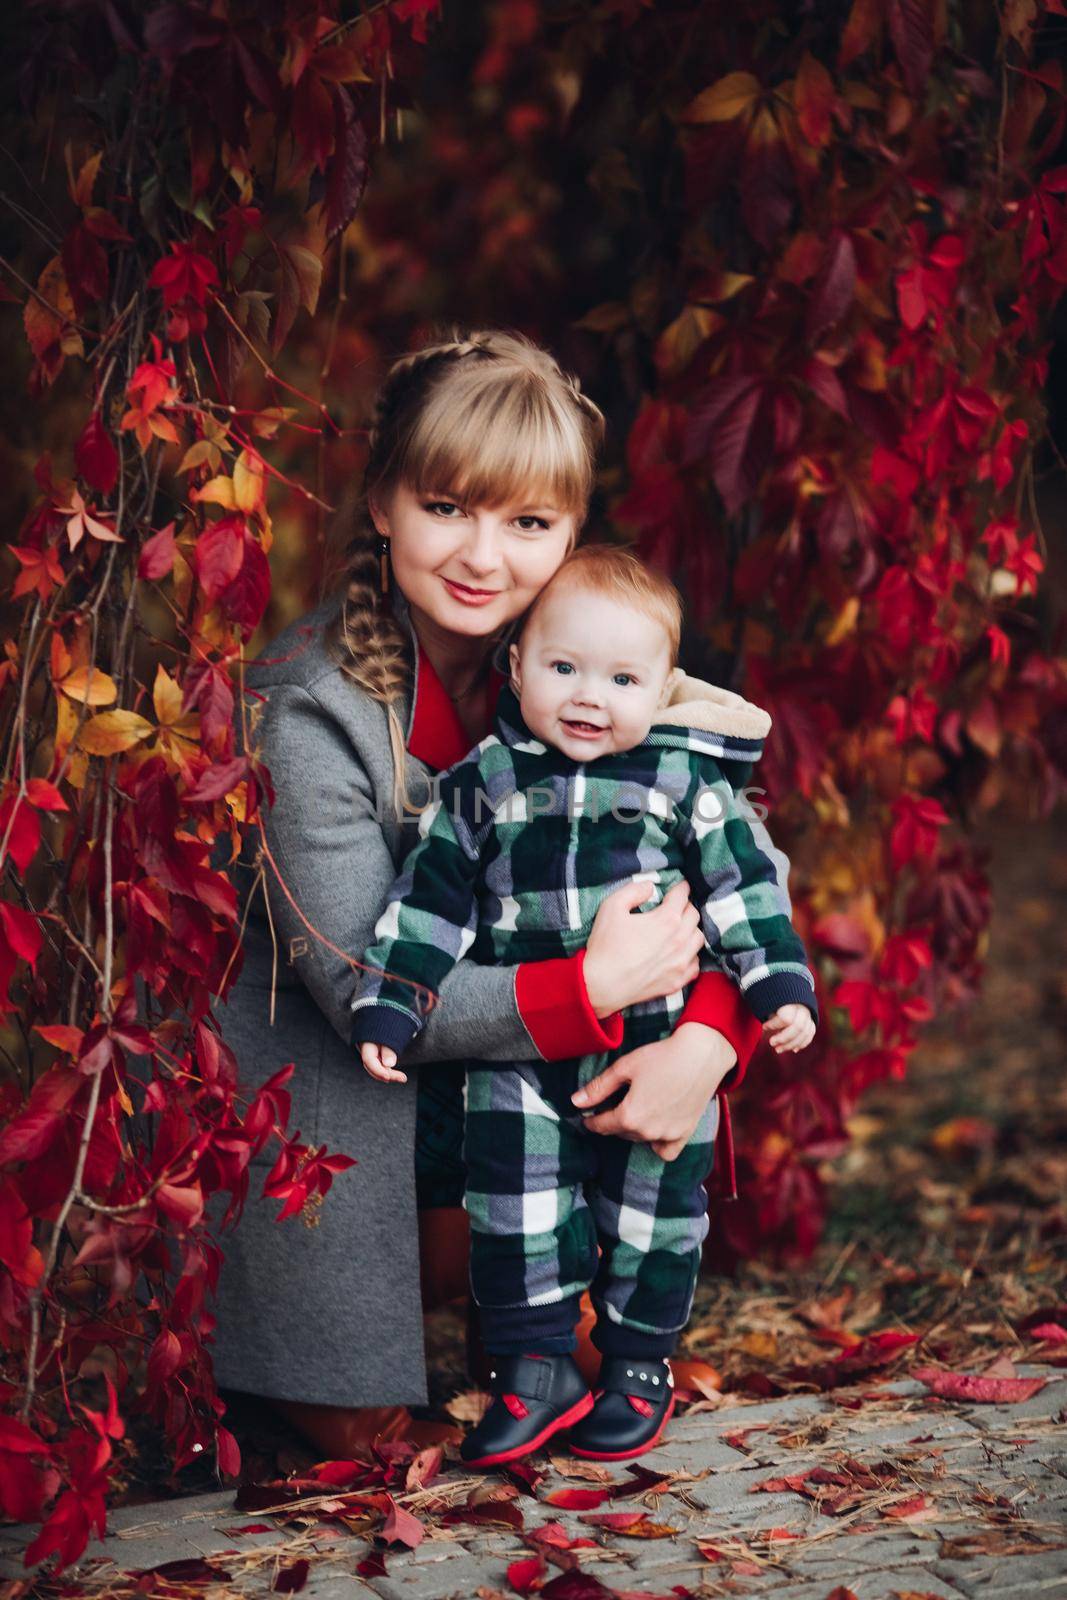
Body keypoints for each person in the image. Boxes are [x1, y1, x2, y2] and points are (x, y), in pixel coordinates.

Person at [211, 327, 775, 1457]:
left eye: (526, 523)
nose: (484, 556)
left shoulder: (585, 660)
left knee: (657, 999)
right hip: (347, 1092)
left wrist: (709, 1042)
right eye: (447, 507)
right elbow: (355, 972)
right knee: (392, 1039)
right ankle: (324, 1368)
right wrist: (590, 983)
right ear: (381, 503)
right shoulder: (308, 705)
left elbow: (740, 856)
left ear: (567, 531)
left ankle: (555, 1333)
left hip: (503, 1100)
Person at [350, 544, 818, 1464]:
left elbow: (744, 890)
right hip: (520, 1052)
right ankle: (533, 1371)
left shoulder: (684, 782)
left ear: (661, 689)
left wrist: (776, 987)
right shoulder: (480, 787)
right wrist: (391, 1002)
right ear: (516, 666)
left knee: (652, 1209)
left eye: (621, 678)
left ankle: (638, 1362)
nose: (588, 697)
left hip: (649, 1041)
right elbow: (429, 900)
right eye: (563, 668)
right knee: (512, 1209)